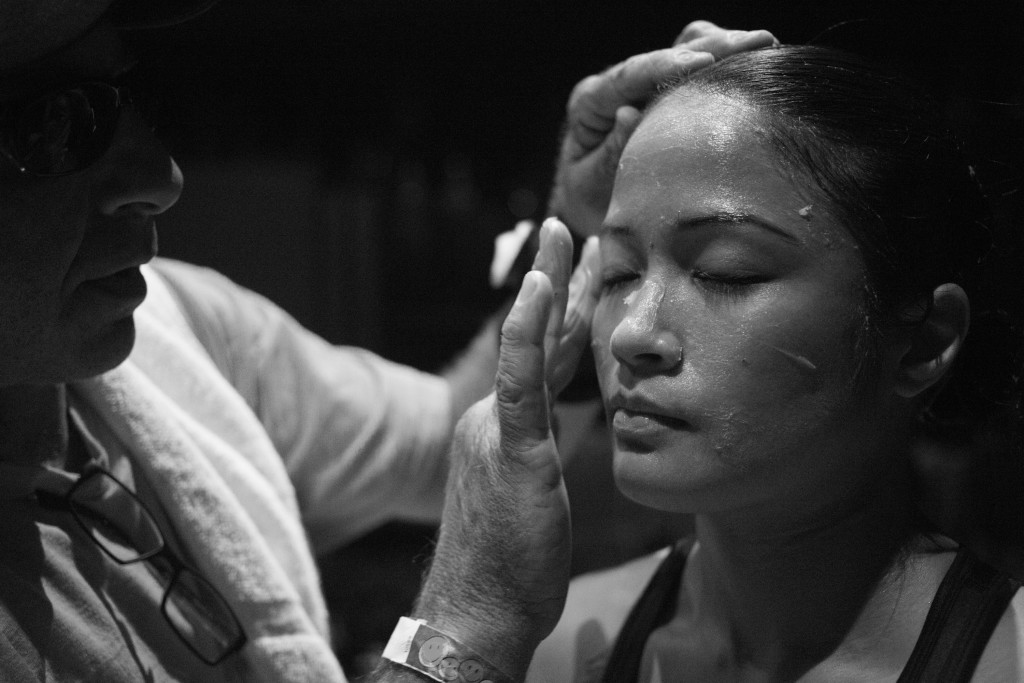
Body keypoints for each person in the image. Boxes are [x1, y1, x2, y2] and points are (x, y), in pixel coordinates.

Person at [0, 0, 777, 680]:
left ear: (905, 351)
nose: (161, 177)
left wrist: (577, 230)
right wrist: (466, 630)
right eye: (57, 124)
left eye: (727, 271)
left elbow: (451, 441)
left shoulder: (175, 333)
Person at [519, 45, 1024, 682]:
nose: (632, 332)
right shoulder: (563, 646)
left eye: (725, 273)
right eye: (620, 273)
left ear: (924, 341)